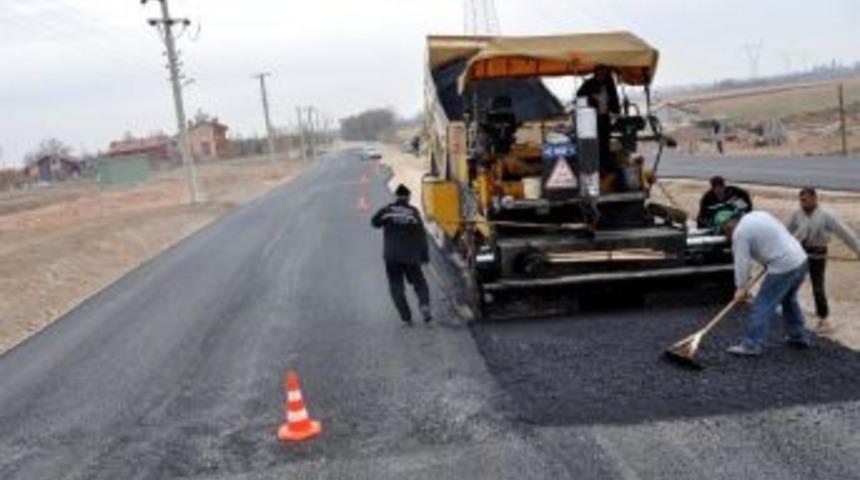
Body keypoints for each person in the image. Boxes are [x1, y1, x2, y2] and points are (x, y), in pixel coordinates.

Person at [715, 209, 810, 356]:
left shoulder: (740, 233)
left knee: (763, 304)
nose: (725, 235)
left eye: (723, 230)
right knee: (789, 299)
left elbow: (742, 263)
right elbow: (776, 236)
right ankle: (798, 337)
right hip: (800, 259)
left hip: (783, 265)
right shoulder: (758, 215)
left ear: (728, 224)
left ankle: (751, 344)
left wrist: (741, 288)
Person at [787, 187, 860, 332]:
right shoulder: (797, 214)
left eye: (805, 200)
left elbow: (845, 233)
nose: (802, 203)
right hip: (800, 252)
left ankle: (823, 318)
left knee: (817, 286)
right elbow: (785, 232)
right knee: (791, 281)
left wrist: (858, 250)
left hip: (818, 253)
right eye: (801, 200)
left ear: (814, 199)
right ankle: (790, 312)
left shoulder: (826, 215)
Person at [371, 184, 432, 326]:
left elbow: (374, 222)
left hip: (391, 257)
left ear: (396, 197)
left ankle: (406, 318)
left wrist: (387, 219)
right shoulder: (413, 213)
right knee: (419, 283)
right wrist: (425, 257)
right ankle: (424, 306)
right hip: (410, 256)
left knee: (396, 287)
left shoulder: (387, 211)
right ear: (408, 198)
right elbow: (421, 236)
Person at [577, 65, 624, 188]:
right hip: (591, 119)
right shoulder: (589, 83)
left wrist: (615, 111)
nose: (602, 75)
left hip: (605, 118)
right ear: (595, 73)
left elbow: (614, 100)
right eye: (600, 73)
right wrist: (591, 96)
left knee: (604, 145)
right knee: (595, 146)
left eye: (604, 73)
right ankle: (598, 172)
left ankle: (606, 172)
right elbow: (580, 95)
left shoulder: (609, 83)